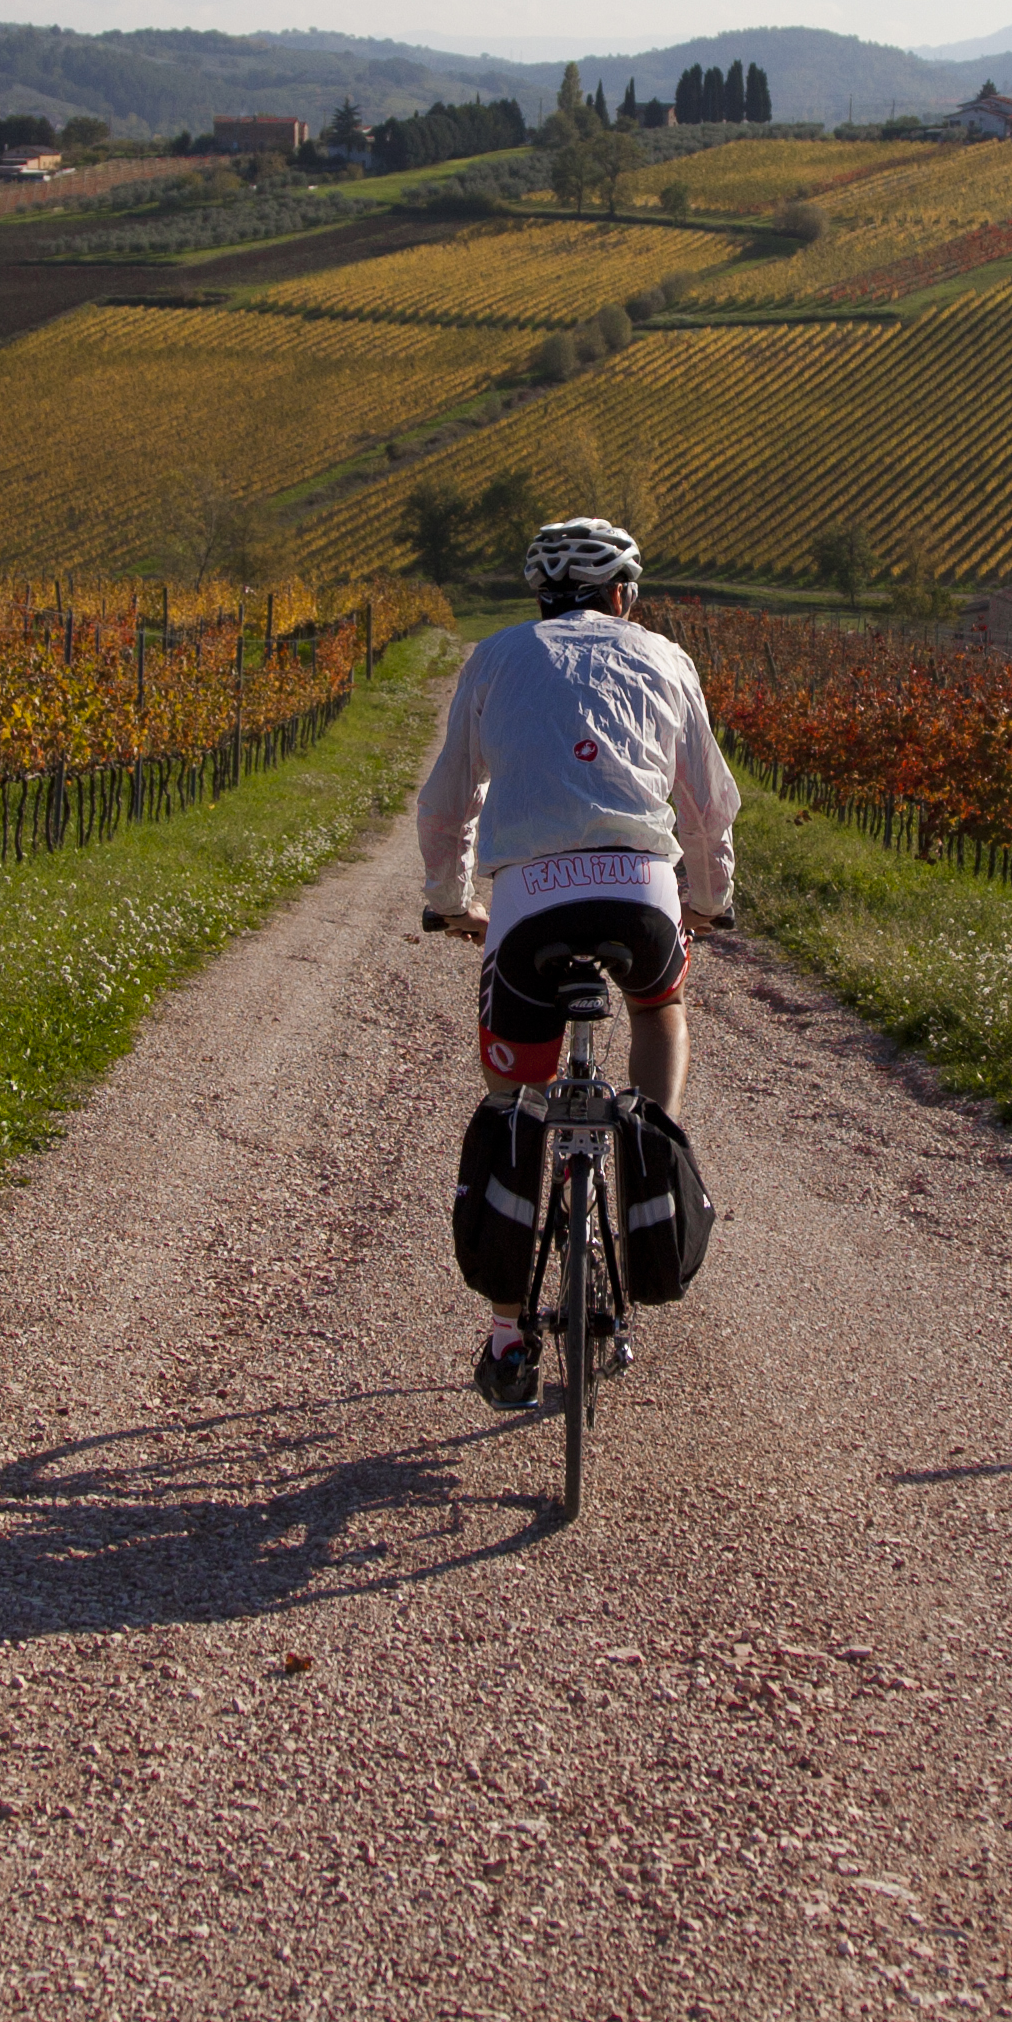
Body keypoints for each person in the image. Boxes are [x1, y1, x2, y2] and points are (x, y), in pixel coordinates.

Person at [414, 512, 739, 1410]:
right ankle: (653, 1147)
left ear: (541, 597)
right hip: (642, 894)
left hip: (529, 907)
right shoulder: (667, 657)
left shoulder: (495, 658)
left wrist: (451, 901)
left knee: (509, 1096)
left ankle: (509, 1331)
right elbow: (709, 805)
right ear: (623, 595)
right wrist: (710, 899)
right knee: (659, 1009)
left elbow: (448, 799)